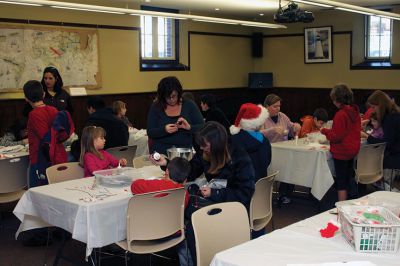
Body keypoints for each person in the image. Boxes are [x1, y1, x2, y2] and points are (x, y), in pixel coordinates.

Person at [151, 121, 255, 265]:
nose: (200, 147)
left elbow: (246, 192)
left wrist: (216, 193)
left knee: (191, 218)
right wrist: (167, 164)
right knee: (188, 214)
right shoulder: (205, 152)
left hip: (234, 210)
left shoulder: (239, 156)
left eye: (204, 144)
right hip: (214, 204)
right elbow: (191, 170)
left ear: (216, 143)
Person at [23, 80, 74, 188]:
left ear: (26, 98)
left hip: (41, 159)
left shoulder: (34, 115)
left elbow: (45, 138)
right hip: (58, 154)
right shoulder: (53, 110)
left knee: (38, 192)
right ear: (44, 94)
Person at [321, 84, 361, 202]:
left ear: (337, 100)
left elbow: (336, 137)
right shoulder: (355, 112)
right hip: (352, 150)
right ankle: (351, 201)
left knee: (341, 181)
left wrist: (324, 131)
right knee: (349, 177)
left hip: (342, 151)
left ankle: (341, 206)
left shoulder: (341, 114)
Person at [147, 76, 204, 155]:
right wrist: (164, 130)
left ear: (179, 93)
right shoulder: (156, 106)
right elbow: (150, 132)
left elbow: (203, 127)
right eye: (168, 97)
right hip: (161, 154)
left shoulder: (189, 105)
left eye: (174, 96)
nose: (171, 100)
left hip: (185, 154)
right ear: (162, 96)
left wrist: (189, 127)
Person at [261, 94, 301, 204]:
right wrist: (272, 130)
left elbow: (291, 128)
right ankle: (265, 196)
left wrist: (295, 126)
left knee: (292, 165)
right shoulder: (261, 118)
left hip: (283, 150)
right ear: (266, 107)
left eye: (279, 106)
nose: (278, 109)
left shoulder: (282, 116)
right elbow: (257, 134)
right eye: (275, 106)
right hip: (267, 151)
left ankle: (285, 194)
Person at [366, 90, 400, 188]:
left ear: (380, 105)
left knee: (371, 164)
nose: (373, 110)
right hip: (395, 156)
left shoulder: (390, 118)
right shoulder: (394, 114)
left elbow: (386, 144)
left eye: (373, 107)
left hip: (394, 160)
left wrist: (369, 138)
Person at [230, 103, 271, 182]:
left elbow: (232, 165)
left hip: (242, 187)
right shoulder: (265, 140)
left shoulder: (235, 139)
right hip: (261, 185)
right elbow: (268, 161)